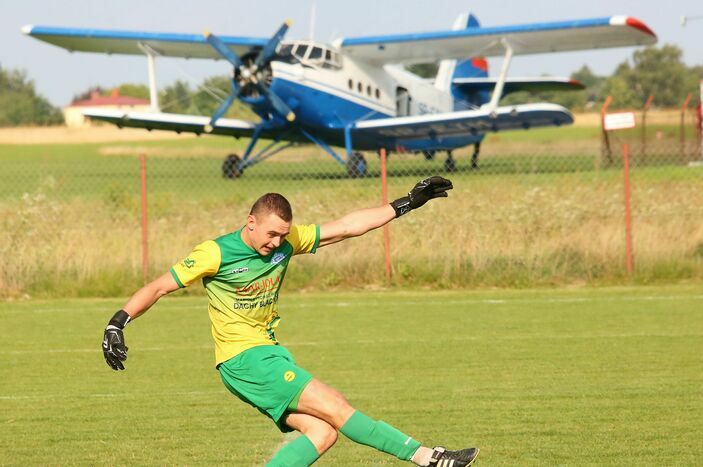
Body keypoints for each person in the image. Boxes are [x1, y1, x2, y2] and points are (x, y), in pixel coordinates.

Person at [101, 176, 479, 467]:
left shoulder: (285, 241)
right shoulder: (215, 253)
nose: (276, 242)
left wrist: (406, 204)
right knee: (336, 405)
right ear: (250, 222)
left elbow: (346, 227)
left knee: (322, 433)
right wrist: (118, 322)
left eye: (283, 235)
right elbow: (158, 287)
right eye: (270, 234)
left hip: (270, 354)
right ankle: (428, 457)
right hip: (244, 359)